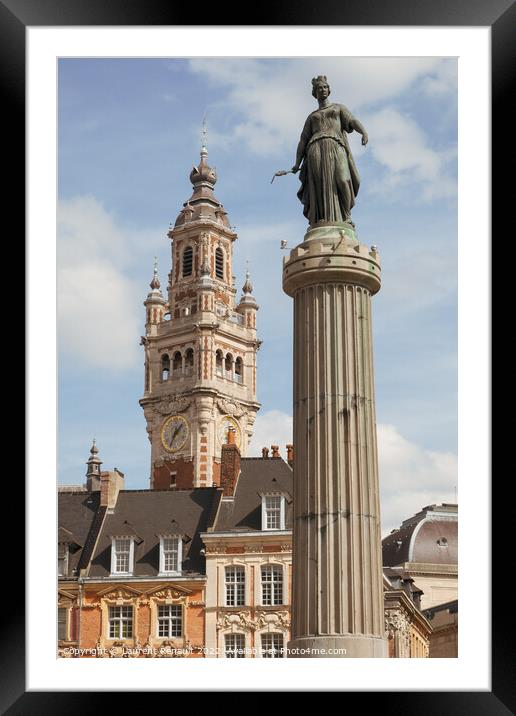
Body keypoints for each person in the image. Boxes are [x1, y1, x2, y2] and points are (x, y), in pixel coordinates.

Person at [291, 76, 368, 226]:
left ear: (329, 90)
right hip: (315, 149)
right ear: (315, 92)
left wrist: (363, 131)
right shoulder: (312, 117)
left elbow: (352, 120)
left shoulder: (338, 108)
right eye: (319, 88)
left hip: (335, 145)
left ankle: (346, 216)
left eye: (325, 87)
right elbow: (303, 140)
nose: (322, 90)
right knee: (319, 184)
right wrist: (297, 163)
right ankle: (321, 218)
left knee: (343, 179)